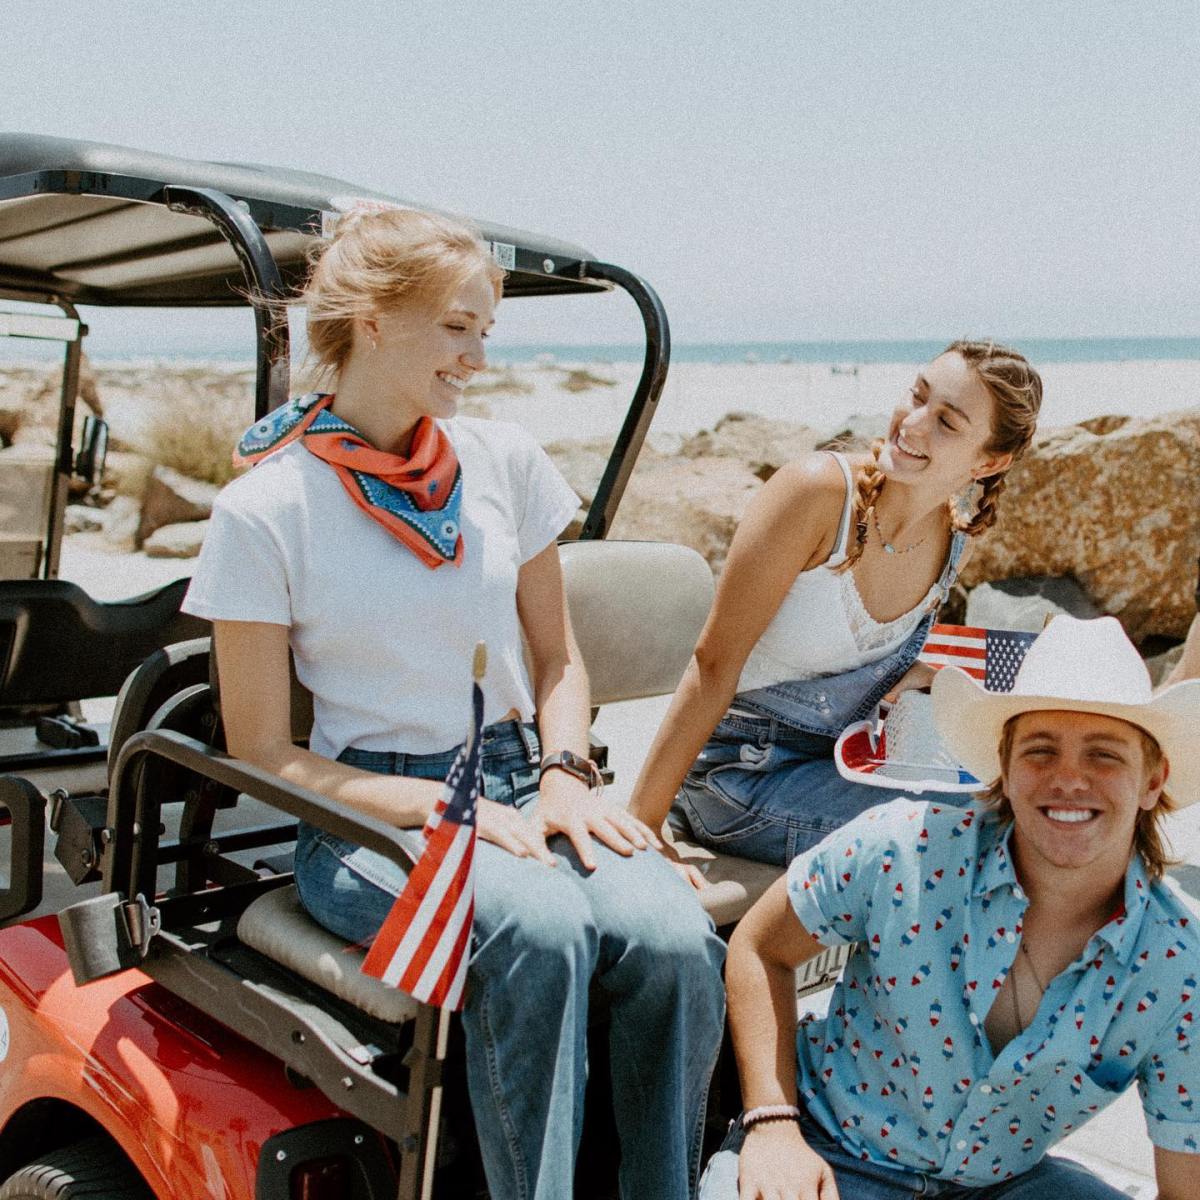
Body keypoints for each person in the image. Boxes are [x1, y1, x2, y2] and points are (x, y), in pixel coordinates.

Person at [181, 206, 725, 1200]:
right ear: (373, 321)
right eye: (457, 328)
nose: (477, 357)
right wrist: (432, 806)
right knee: (540, 932)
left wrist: (564, 774)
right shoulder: (264, 510)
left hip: (527, 779)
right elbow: (264, 749)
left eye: (486, 331)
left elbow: (558, 660)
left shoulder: (502, 461)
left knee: (674, 941)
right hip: (372, 812)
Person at [700, 614, 1200, 1200]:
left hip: (1002, 1185)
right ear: (1005, 770)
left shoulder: (1178, 967)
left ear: (1152, 781)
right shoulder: (902, 846)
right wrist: (773, 1124)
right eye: (1040, 750)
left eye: (1104, 755)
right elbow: (760, 946)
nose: (1069, 779)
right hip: (829, 1148)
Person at [629, 341, 1043, 873]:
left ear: (990, 461)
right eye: (918, 396)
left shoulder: (952, 543)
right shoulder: (816, 494)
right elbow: (714, 663)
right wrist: (644, 826)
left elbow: (850, 666)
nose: (913, 423)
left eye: (946, 422)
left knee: (1025, 803)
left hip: (846, 765)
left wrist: (925, 677)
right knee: (984, 831)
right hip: (736, 776)